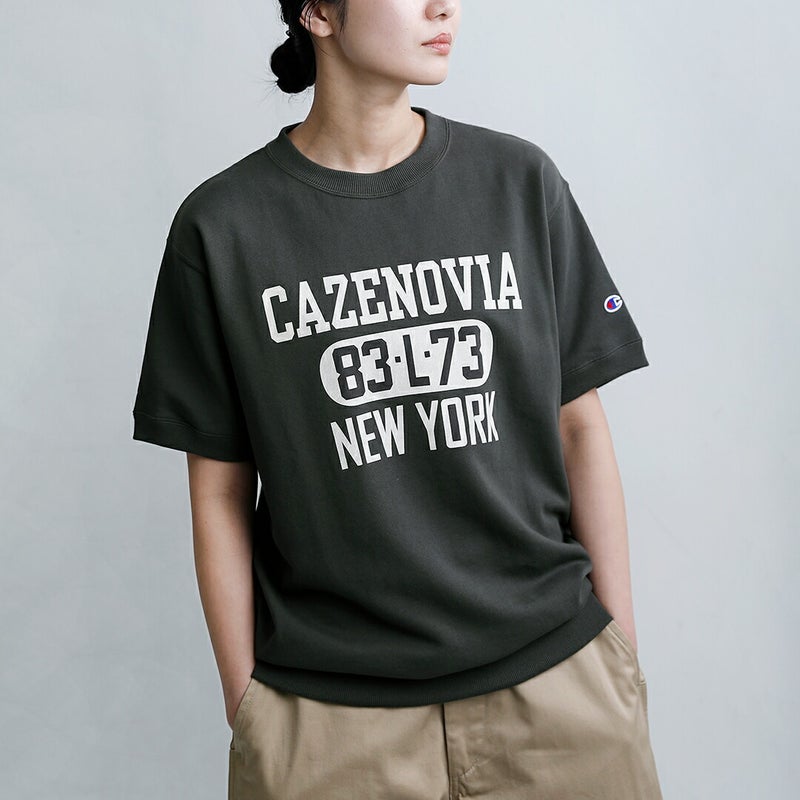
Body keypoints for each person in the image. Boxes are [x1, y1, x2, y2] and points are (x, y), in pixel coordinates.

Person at [131, 0, 664, 797]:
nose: (444, 7)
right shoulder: (223, 227)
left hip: (559, 688)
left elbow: (580, 428)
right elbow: (218, 491)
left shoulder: (518, 182)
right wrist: (251, 712)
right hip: (330, 721)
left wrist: (618, 654)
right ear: (319, 12)